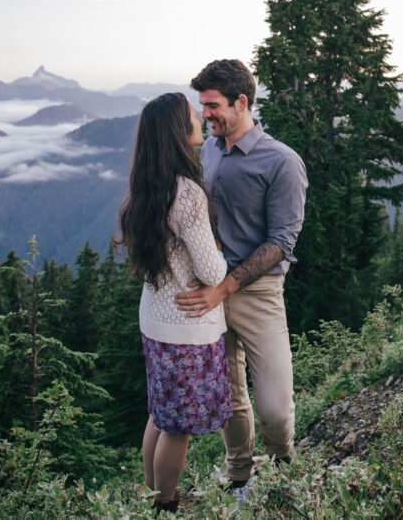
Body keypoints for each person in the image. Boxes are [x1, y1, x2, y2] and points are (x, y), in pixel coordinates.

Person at [174, 58, 307, 489]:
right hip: (207, 289)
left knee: (274, 406)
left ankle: (281, 464)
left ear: (241, 102)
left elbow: (282, 241)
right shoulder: (208, 149)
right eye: (202, 106)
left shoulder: (281, 162)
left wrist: (226, 287)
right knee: (228, 396)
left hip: (258, 292)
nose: (204, 115)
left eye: (212, 106)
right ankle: (238, 475)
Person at [118, 92, 231, 514]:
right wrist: (222, 251)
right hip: (186, 326)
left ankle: (150, 495)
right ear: (176, 131)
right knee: (178, 428)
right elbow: (213, 272)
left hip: (156, 319)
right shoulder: (186, 194)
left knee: (160, 415)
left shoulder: (147, 188)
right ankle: (165, 504)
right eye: (191, 115)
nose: (200, 119)